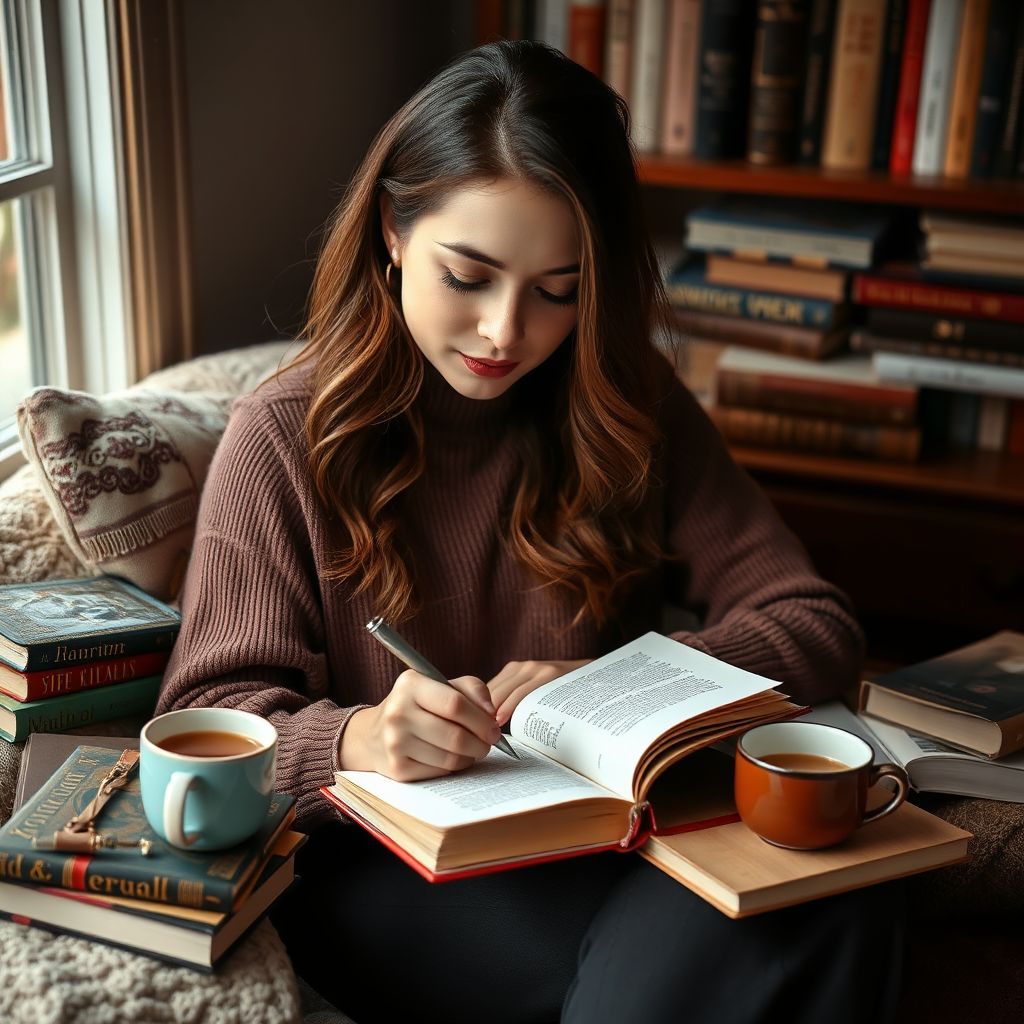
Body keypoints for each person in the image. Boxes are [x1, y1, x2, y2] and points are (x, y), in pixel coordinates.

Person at [156, 40, 902, 1024]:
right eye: (468, 276)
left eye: (560, 289)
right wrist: (363, 737)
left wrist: (635, 684)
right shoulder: (283, 436)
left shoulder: (626, 406)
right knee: (760, 936)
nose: (506, 331)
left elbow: (810, 618)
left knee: (841, 892)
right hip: (385, 866)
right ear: (391, 226)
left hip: (601, 840)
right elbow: (211, 710)